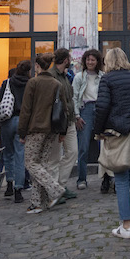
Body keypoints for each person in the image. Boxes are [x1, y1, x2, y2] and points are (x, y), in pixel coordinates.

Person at [94, 48, 130, 239]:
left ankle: (126, 226)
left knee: (120, 177)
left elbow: (102, 106)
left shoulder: (107, 80)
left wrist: (97, 131)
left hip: (119, 134)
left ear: (108, 61)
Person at [18, 52, 67, 214]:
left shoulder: (33, 82)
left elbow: (26, 110)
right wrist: (62, 130)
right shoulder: (56, 84)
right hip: (51, 129)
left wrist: (22, 132)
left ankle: (55, 188)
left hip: (36, 128)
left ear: (37, 66)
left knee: (31, 163)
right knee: (41, 164)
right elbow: (63, 109)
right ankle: (38, 203)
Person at [72, 49, 110, 192]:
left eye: (93, 60)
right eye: (88, 60)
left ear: (98, 61)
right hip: (85, 110)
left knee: (105, 146)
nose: (90, 62)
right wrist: (77, 116)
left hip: (100, 109)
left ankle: (106, 178)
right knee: (83, 147)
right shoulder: (79, 77)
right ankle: (82, 179)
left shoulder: (103, 77)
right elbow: (74, 97)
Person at [0, 60, 32, 203]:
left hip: (7, 120)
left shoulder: (7, 82)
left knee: (8, 153)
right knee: (20, 155)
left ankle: (9, 183)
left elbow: (0, 101)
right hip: (22, 120)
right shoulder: (30, 83)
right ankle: (18, 189)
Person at [50, 48, 79, 199]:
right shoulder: (52, 75)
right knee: (54, 157)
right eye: (70, 57)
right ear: (66, 59)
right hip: (57, 122)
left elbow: (70, 98)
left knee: (72, 152)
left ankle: (60, 185)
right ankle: (56, 189)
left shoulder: (65, 76)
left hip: (69, 120)